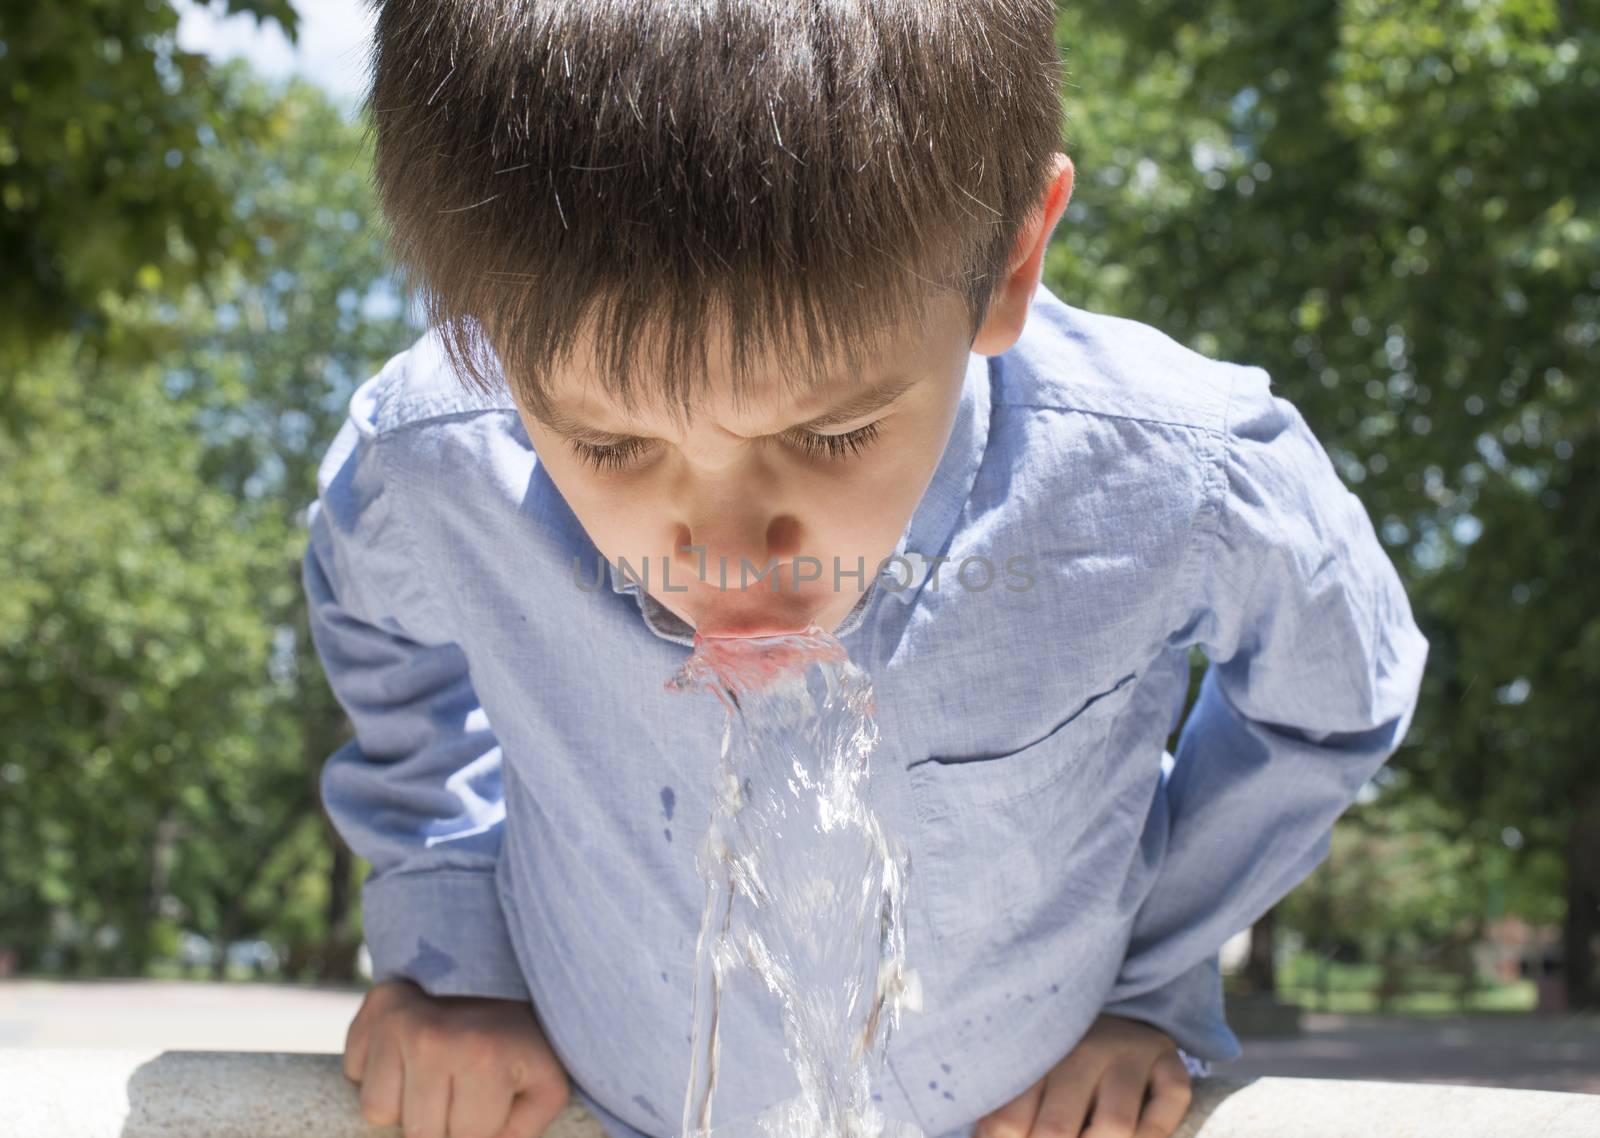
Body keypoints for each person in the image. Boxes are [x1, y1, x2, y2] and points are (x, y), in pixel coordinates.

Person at [302, 4, 1429, 1138]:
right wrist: (452, 944)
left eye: (832, 434)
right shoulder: (435, 460)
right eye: (610, 444)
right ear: (482, 330)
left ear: (1008, 262)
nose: (729, 548)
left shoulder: (1178, 476)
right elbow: (377, 622)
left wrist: (1148, 985)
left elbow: (1334, 699)